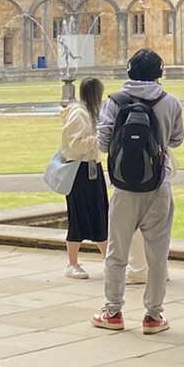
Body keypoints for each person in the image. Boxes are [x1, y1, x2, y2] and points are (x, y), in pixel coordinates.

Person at [91, 47, 184, 334]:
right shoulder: (169, 102)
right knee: (157, 255)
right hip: (158, 184)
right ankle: (153, 316)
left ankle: (113, 311)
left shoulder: (115, 101)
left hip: (123, 187)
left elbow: (103, 142)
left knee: (117, 252)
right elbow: (177, 139)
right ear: (159, 73)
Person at [57, 75, 107, 278]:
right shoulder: (78, 114)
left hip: (93, 169)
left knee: (100, 214)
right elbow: (76, 145)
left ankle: (109, 259)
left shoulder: (91, 113)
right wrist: (97, 139)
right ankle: (72, 264)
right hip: (79, 171)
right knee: (78, 216)